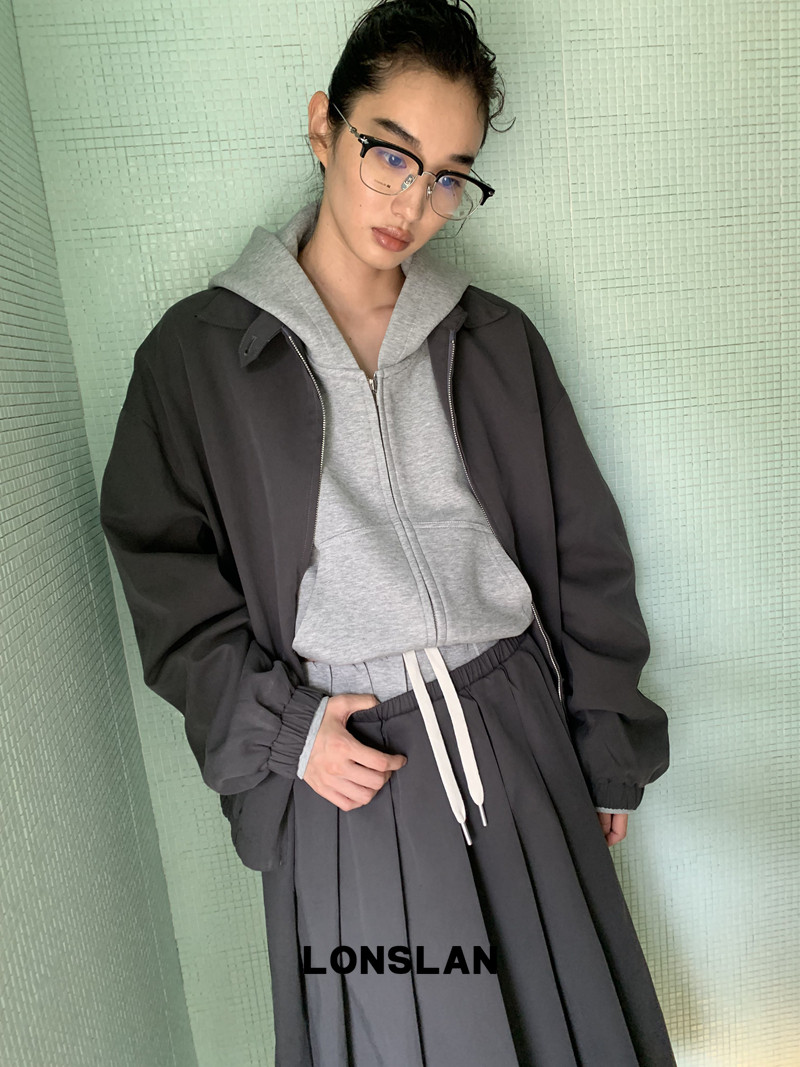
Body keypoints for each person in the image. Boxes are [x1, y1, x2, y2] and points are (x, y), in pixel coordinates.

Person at [100, 1, 677, 1063]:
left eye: (449, 176)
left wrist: (604, 745)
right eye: (391, 154)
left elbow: (582, 550)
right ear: (324, 124)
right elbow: (166, 583)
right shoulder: (196, 358)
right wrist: (285, 731)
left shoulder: (493, 338)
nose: (412, 202)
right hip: (346, 768)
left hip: (517, 737)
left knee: (573, 1032)